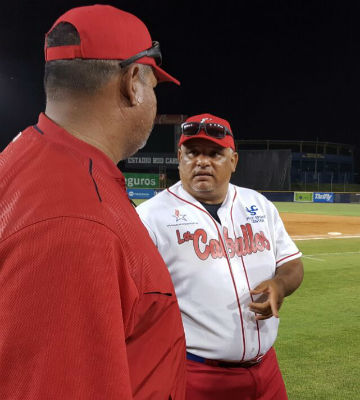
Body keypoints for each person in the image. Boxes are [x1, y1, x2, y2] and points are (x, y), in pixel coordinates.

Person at [0, 5, 185, 399]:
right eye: (153, 85)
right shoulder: (78, 221)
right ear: (132, 82)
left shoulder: (28, 157)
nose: (152, 98)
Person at [136, 113, 304, 400]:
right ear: (179, 157)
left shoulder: (258, 205)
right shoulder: (150, 217)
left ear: (234, 161)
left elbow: (291, 263)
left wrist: (280, 285)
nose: (202, 161)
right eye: (192, 153)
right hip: (199, 376)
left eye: (215, 153)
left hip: (267, 370)